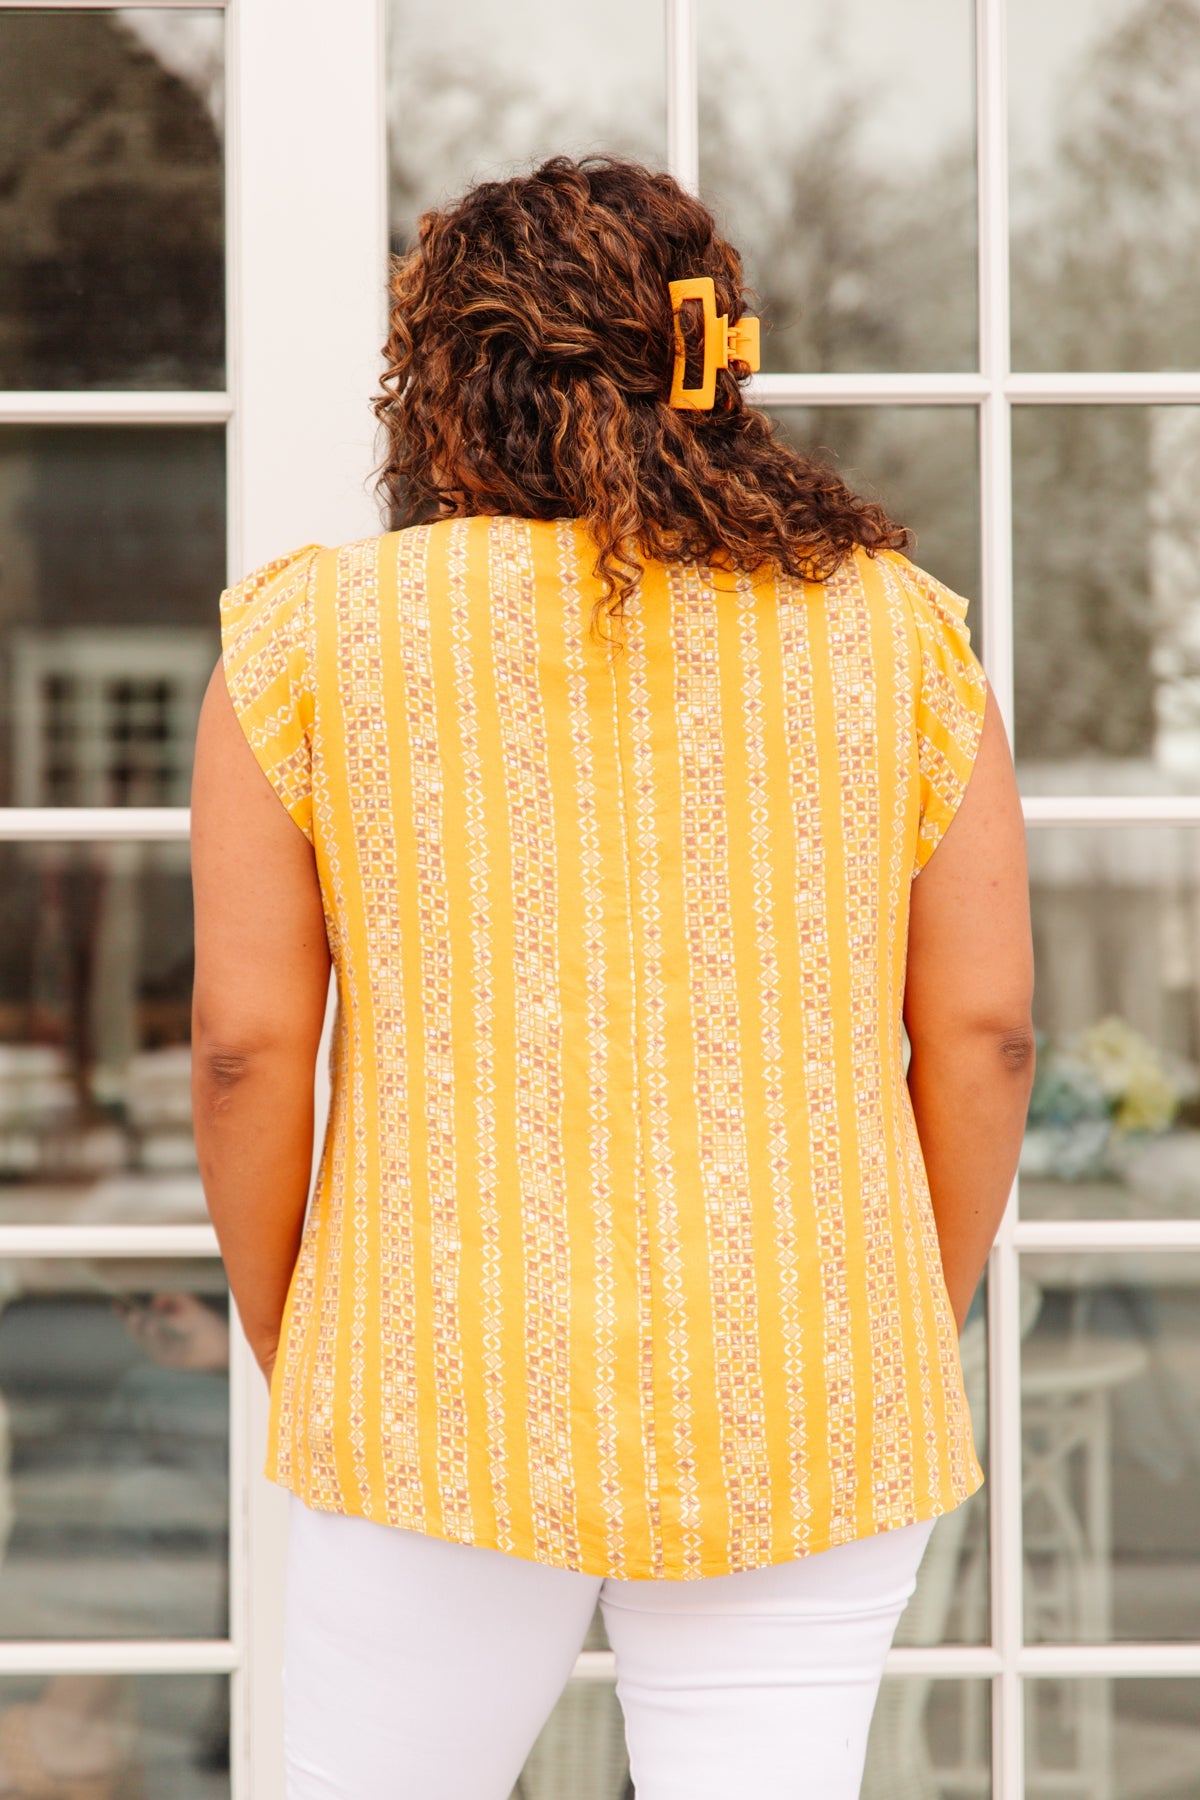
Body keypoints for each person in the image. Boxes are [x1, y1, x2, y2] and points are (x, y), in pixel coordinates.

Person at [190, 154, 1035, 1800]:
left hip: (428, 1366)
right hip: (803, 1375)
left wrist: (306, 1338)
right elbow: (988, 1039)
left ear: (440, 382)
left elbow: (241, 1050)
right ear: (711, 364)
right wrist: (883, 1323)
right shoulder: (897, 633)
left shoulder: (311, 642)